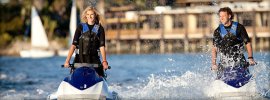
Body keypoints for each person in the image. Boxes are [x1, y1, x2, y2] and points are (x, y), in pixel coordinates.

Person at [211, 7, 256, 88]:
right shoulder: (217, 31)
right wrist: (214, 64)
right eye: (220, 16)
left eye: (223, 16)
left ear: (229, 16)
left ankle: (248, 86)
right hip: (224, 61)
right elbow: (214, 48)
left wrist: (250, 58)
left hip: (239, 59)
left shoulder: (239, 28)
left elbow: (248, 43)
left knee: (246, 75)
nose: (221, 18)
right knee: (218, 78)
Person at [64, 6, 108, 77]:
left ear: (95, 15)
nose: (89, 16)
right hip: (80, 60)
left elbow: (102, 46)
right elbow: (73, 45)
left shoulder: (100, 29)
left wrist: (104, 61)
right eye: (87, 14)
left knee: (100, 76)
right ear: (85, 16)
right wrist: (67, 60)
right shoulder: (80, 27)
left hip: (94, 60)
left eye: (92, 14)